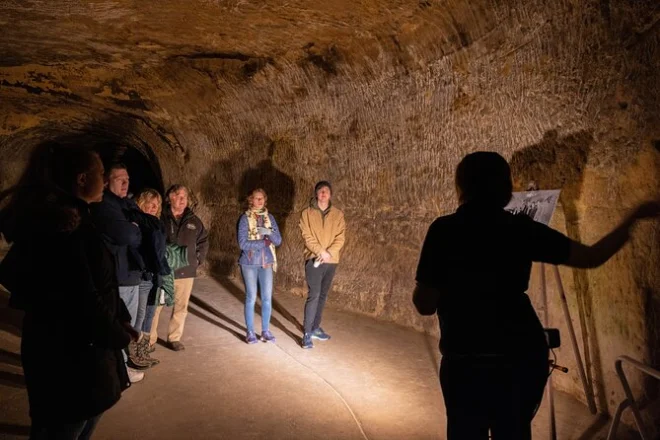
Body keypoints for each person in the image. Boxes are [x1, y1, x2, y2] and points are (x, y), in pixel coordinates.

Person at [413, 151, 660, 440]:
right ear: (504, 188)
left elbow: (424, 303)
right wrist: (632, 218)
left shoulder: (444, 231)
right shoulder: (521, 229)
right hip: (517, 358)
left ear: (462, 187)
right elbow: (592, 257)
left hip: (464, 361)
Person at [0, 144, 137, 439]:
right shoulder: (63, 229)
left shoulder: (72, 220)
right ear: (82, 179)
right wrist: (117, 334)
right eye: (101, 173)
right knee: (65, 427)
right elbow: (83, 298)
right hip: (71, 359)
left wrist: (120, 317)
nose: (104, 180)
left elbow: (98, 282)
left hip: (71, 351)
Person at [90, 163, 149, 379]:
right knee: (119, 326)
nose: (125, 183)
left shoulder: (125, 204)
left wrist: (136, 228)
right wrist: (135, 228)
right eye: (119, 179)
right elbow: (128, 235)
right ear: (106, 182)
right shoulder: (104, 205)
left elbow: (145, 228)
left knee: (129, 324)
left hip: (130, 273)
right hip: (119, 276)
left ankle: (122, 365)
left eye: (127, 179)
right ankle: (119, 369)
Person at [150, 184, 208, 351]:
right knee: (156, 307)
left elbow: (204, 240)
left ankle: (174, 338)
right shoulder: (160, 217)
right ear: (171, 198)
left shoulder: (193, 220)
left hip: (185, 272)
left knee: (181, 308)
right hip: (164, 271)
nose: (183, 200)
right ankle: (150, 339)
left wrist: (197, 260)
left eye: (185, 197)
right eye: (179, 196)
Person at [299, 181, 346, 349]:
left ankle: (315, 327)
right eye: (320, 191)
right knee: (314, 294)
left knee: (323, 295)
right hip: (314, 258)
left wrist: (330, 252)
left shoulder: (338, 214)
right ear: (316, 194)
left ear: (330, 194)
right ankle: (306, 333)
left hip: (331, 260)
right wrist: (320, 252)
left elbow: (340, 237)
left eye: (326, 191)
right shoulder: (307, 213)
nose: (323, 193)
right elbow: (306, 236)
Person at [127, 188, 171, 367]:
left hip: (155, 274)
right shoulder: (137, 222)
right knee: (140, 314)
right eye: (150, 204)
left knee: (150, 314)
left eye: (156, 205)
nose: (153, 207)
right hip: (144, 274)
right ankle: (134, 354)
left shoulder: (156, 224)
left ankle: (143, 350)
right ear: (141, 203)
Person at [237, 188, 282, 344]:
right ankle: (250, 332)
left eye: (262, 198)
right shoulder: (245, 219)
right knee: (251, 297)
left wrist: (268, 232)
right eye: (256, 198)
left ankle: (265, 331)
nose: (260, 201)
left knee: (267, 298)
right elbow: (243, 243)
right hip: (249, 262)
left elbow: (278, 240)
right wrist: (263, 242)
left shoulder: (270, 218)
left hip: (266, 262)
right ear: (251, 200)